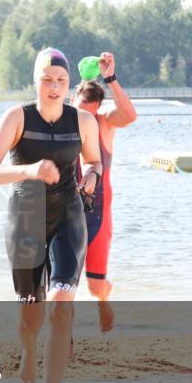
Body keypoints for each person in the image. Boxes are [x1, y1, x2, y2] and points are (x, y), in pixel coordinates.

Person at [0, 47, 102, 383]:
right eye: (47, 79)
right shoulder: (16, 117)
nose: (54, 86)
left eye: (61, 80)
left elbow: (94, 160)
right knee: (31, 314)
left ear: (69, 84)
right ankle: (29, 350)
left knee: (61, 303)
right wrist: (31, 170)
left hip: (68, 212)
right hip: (26, 216)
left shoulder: (83, 120)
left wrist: (92, 177)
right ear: (35, 81)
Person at [71, 51, 137, 332]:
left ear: (97, 108)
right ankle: (65, 332)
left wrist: (111, 78)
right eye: (80, 112)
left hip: (98, 211)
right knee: (64, 278)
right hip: (66, 209)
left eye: (91, 113)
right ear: (72, 101)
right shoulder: (61, 119)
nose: (85, 119)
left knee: (96, 283)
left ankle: (102, 302)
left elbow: (129, 115)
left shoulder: (104, 122)